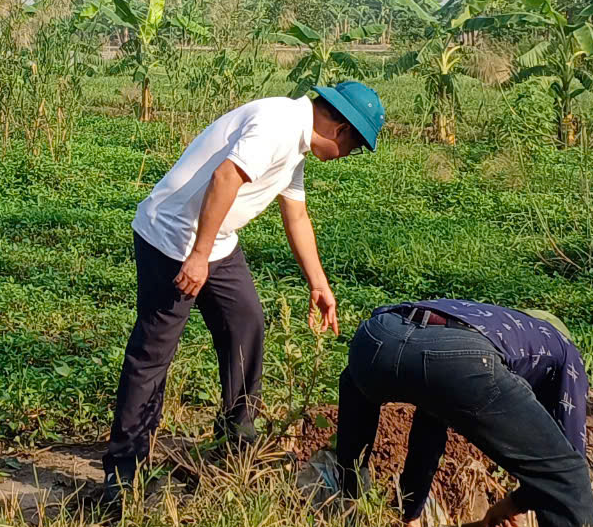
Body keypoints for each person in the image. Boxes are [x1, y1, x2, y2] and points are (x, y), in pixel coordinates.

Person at [98, 81, 385, 496]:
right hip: (174, 239)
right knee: (153, 352)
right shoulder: (278, 125)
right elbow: (226, 176)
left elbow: (297, 216)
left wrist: (319, 284)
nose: (345, 157)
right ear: (341, 131)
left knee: (245, 323)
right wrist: (197, 256)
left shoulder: (296, 142)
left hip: (215, 242)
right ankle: (123, 473)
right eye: (353, 148)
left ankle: (236, 437)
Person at [332, 298, 593, 527]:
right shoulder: (564, 351)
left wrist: (411, 515)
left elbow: (430, 418)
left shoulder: (481, 321)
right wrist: (519, 501)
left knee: (361, 395)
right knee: (566, 475)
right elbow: (566, 467)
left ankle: (347, 524)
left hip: (373, 338)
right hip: (459, 360)